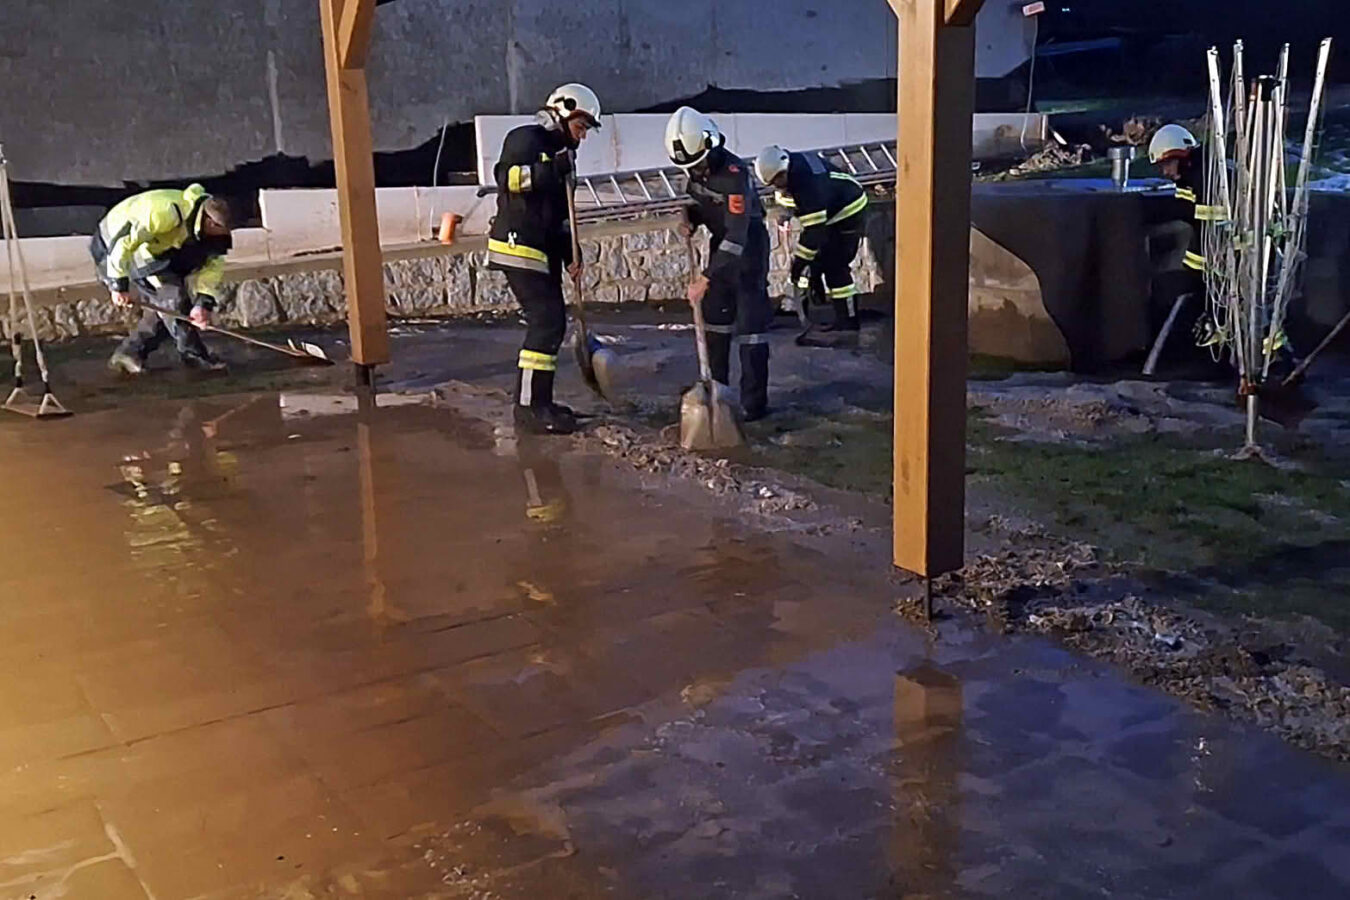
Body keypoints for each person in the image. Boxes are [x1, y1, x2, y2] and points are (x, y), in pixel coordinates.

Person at [488, 83, 602, 436]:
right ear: (561, 114)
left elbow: (561, 213)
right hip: (518, 244)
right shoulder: (526, 139)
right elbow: (506, 179)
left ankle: (541, 403)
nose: (582, 136)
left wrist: (571, 253)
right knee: (546, 322)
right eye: (580, 127)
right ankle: (529, 408)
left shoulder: (562, 155)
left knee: (552, 324)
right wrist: (552, 169)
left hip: (543, 247)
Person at [666, 107, 773, 421]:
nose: (694, 170)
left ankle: (753, 404)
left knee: (751, 329)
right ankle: (717, 392)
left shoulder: (734, 175)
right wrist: (691, 219)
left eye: (697, 163)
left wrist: (705, 278)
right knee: (715, 323)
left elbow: (737, 234)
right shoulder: (695, 170)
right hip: (720, 245)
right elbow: (705, 206)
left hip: (748, 248)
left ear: (709, 147)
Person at [92, 183, 232, 374]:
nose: (228, 234)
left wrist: (203, 303)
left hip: (160, 249)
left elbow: (213, 265)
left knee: (168, 307)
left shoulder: (212, 230)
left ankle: (130, 353)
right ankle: (194, 357)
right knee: (174, 299)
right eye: (225, 230)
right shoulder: (165, 213)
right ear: (211, 223)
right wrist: (118, 284)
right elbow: (123, 243)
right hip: (115, 245)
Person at [753, 144, 868, 347]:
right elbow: (793, 203)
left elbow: (814, 231)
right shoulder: (792, 169)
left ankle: (848, 323)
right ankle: (809, 302)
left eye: (778, 180)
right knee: (818, 262)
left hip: (848, 211)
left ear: (784, 169)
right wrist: (784, 216)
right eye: (773, 184)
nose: (777, 185)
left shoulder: (807, 183)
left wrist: (800, 263)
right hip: (831, 212)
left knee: (836, 267)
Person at [1143, 124, 1224, 362]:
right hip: (1216, 255)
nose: (1165, 172)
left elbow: (1210, 225)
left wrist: (1195, 275)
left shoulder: (1208, 177)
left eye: (1167, 164)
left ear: (1181, 156)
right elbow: (1187, 210)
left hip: (1239, 256)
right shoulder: (1188, 176)